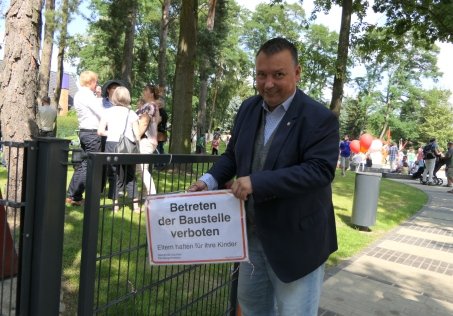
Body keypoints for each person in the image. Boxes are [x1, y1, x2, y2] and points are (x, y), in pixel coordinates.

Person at [188, 37, 339, 315]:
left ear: (297, 72)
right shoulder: (248, 108)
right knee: (253, 309)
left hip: (297, 245)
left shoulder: (320, 118)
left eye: (278, 74)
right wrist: (207, 181)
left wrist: (256, 182)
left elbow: (319, 171)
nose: (268, 83)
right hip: (252, 238)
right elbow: (233, 156)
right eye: (261, 74)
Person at [98, 86, 140, 211]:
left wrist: (111, 133)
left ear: (114, 97)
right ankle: (136, 205)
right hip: (128, 146)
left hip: (112, 145)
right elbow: (137, 134)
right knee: (131, 175)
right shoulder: (131, 113)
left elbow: (100, 131)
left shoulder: (107, 112)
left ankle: (115, 205)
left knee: (113, 174)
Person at [66, 71, 104, 206]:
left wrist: (98, 95)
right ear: (92, 82)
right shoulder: (87, 95)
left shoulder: (81, 94)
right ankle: (76, 196)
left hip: (85, 132)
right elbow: (101, 111)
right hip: (92, 133)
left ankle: (72, 195)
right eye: (96, 81)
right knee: (89, 165)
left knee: (83, 165)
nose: (97, 84)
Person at [136, 84, 162, 195]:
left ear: (151, 93)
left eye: (145, 90)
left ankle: (152, 195)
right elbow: (158, 119)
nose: (143, 91)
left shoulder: (149, 106)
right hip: (149, 140)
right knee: (141, 169)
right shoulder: (153, 106)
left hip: (145, 140)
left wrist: (136, 137)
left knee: (142, 169)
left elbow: (144, 122)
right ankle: (146, 195)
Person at [156, 86, 169, 154]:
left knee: (159, 148)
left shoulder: (161, 111)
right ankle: (161, 163)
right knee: (160, 148)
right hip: (160, 132)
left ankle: (159, 163)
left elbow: (160, 120)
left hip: (159, 132)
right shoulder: (160, 111)